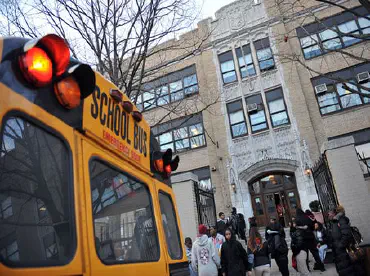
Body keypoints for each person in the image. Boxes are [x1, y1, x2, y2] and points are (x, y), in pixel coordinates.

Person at [330, 205, 365, 276]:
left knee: (350, 270)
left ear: (335, 212)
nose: (328, 214)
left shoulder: (341, 220)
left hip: (344, 251)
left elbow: (346, 234)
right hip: (341, 253)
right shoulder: (335, 221)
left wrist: (340, 245)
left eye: (330, 212)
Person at [290, 209, 310, 276]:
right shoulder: (295, 231)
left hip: (300, 252)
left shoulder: (298, 232)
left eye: (294, 223)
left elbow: (299, 244)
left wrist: (295, 251)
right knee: (301, 271)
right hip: (299, 252)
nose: (292, 224)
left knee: (304, 271)